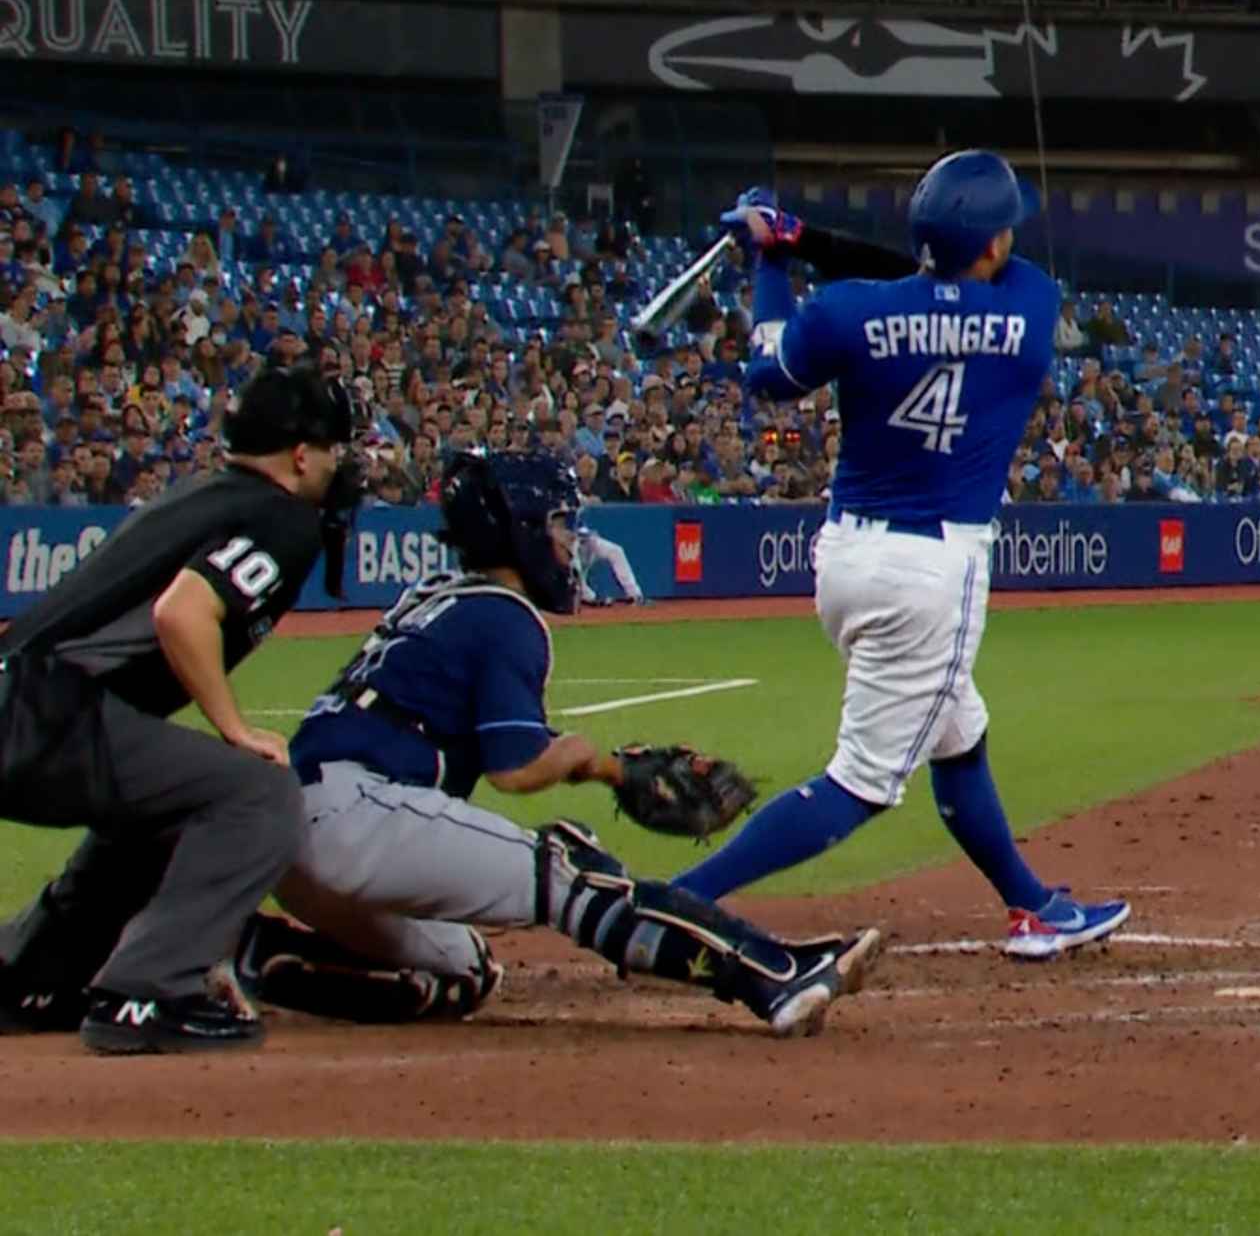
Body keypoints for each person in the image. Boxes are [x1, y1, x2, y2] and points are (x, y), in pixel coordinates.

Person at [230, 451, 880, 1037]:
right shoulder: (504, 613)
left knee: (463, 971)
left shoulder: (435, 596)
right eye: (560, 524)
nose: (571, 542)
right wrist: (604, 765)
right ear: (516, 530)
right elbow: (518, 768)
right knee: (570, 867)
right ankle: (772, 972)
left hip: (299, 837)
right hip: (358, 814)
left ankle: (258, 955)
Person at [681, 161, 1131, 960]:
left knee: (960, 731)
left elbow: (770, 371)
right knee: (860, 783)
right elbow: (945, 287)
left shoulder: (848, 312)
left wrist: (777, 259)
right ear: (993, 240)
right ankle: (675, 902)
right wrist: (803, 241)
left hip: (848, 557)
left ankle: (1032, 907)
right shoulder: (1030, 307)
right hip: (933, 572)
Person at [0, 368, 363, 1053]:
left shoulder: (202, 494)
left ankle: (30, 971)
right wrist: (233, 727)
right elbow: (183, 612)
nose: (341, 467)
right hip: (45, 714)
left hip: (26, 696)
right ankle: (150, 990)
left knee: (168, 799)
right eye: (336, 450)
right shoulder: (282, 516)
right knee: (256, 793)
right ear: (300, 453)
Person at [573, 521, 647, 606]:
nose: (584, 538)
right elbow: (577, 574)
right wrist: (592, 598)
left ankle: (635, 595)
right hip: (570, 563)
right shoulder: (570, 548)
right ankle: (589, 598)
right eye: (581, 536)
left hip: (585, 555)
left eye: (585, 535)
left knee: (616, 551)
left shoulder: (592, 541)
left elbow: (613, 550)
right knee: (576, 571)